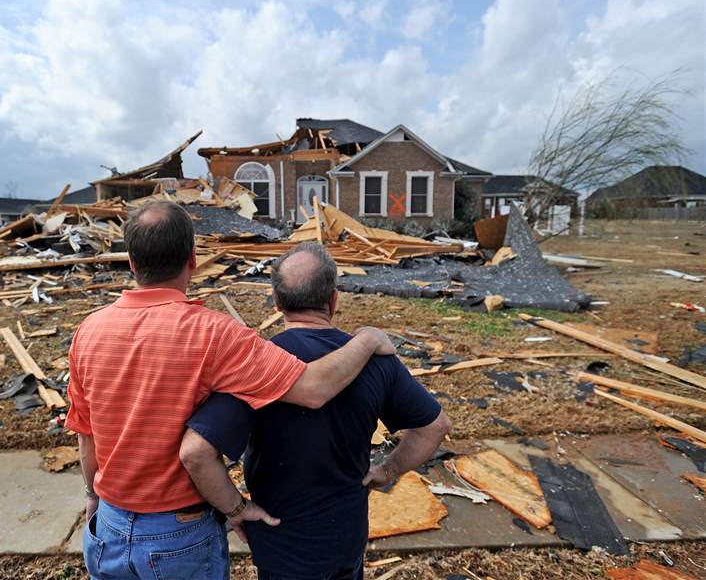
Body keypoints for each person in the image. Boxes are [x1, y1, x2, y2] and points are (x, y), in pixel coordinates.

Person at [66, 202, 396, 580]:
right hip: (179, 537)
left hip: (106, 529)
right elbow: (315, 388)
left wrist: (92, 495)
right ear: (193, 259)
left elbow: (86, 433)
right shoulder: (214, 334)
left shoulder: (89, 331)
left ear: (131, 262)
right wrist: (368, 340)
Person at [180, 242, 452, 580]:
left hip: (281, 542)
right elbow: (435, 426)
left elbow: (196, 453)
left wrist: (235, 508)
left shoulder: (257, 364)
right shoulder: (375, 360)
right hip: (346, 539)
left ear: (276, 303)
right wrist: (387, 470)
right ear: (334, 300)